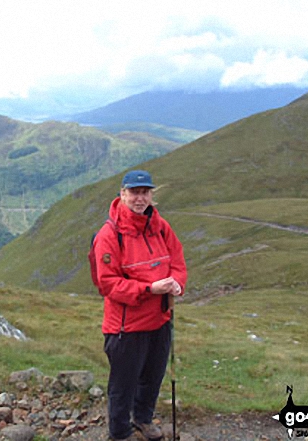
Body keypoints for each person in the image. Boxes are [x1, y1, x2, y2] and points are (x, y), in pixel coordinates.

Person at [92, 170, 188, 441]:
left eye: (145, 192)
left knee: (152, 377)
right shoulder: (110, 235)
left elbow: (178, 262)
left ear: (151, 195)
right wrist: (149, 289)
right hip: (126, 326)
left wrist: (177, 283)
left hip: (159, 320)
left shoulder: (161, 227)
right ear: (122, 194)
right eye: (134, 192)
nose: (140, 198)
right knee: (123, 385)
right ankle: (120, 433)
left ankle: (143, 420)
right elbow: (108, 284)